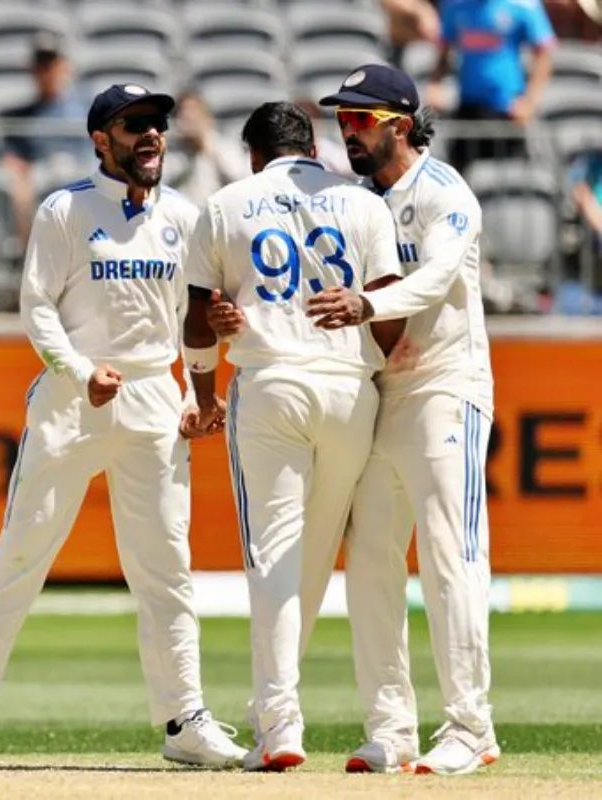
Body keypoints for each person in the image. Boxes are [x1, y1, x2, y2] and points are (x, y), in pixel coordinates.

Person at [0, 84, 246, 770]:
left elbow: (192, 315)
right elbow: (36, 307)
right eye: (135, 125)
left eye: (156, 123)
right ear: (102, 139)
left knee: (165, 571)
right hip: (73, 402)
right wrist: (77, 371)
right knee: (22, 552)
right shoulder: (65, 210)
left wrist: (196, 385)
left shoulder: (185, 216)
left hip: (155, 401)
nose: (152, 135)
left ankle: (184, 718)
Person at [185, 101, 404, 772]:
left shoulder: (227, 202)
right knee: (310, 557)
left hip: (272, 382)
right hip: (349, 388)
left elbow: (197, 319)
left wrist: (202, 393)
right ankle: (274, 711)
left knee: (274, 557)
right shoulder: (363, 204)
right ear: (310, 144)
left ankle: (279, 724)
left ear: (253, 153)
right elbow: (390, 312)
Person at [299, 64, 498, 776]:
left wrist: (366, 306)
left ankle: (471, 728)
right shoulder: (354, 202)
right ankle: (392, 728)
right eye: (341, 121)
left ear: (402, 124)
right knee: (373, 562)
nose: (346, 132)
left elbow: (436, 278)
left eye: (360, 120)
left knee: (452, 556)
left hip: (447, 388)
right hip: (380, 396)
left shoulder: (446, 192)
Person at [426, 0, 556, 172]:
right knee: (461, 180)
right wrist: (435, 83)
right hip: (467, 109)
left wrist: (529, 102)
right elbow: (444, 49)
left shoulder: (524, 5)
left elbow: (544, 53)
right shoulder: (455, 5)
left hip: (508, 111)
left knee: (507, 182)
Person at [0, 32, 93, 244]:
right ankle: (28, 256)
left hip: (83, 174)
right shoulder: (19, 116)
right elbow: (11, 158)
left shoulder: (87, 110)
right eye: (41, 65)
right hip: (40, 179)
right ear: (32, 71)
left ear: (65, 66)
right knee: (19, 186)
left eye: (52, 64)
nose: (47, 72)